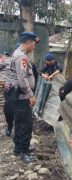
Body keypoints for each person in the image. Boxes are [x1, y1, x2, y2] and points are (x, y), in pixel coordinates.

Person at [5, 32, 39, 162]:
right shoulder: (22, 57)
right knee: (26, 124)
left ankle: (18, 148)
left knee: (19, 122)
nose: (34, 47)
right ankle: (24, 152)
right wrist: (31, 95)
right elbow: (22, 78)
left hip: (18, 95)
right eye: (34, 44)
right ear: (29, 42)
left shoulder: (17, 53)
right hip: (23, 96)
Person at [1, 52, 14, 136]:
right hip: (9, 90)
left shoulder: (28, 63)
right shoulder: (6, 62)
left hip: (23, 92)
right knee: (8, 110)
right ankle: (10, 126)